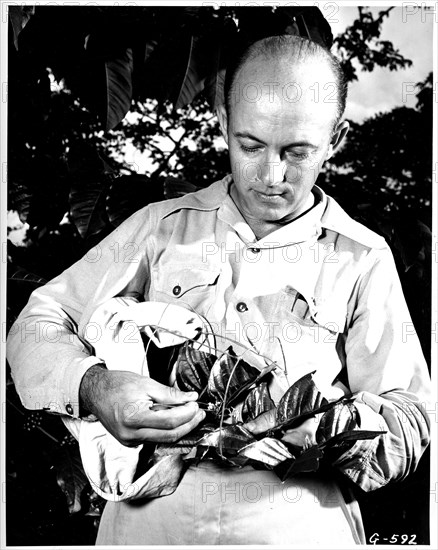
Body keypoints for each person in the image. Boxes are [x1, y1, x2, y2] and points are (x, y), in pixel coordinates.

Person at [7, 35, 431, 545]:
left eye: (298, 152)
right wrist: (92, 388)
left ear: (336, 138)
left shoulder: (364, 257)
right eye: (250, 146)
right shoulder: (158, 229)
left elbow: (411, 419)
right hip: (149, 531)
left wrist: (318, 429)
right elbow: (37, 323)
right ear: (224, 123)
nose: (271, 176)